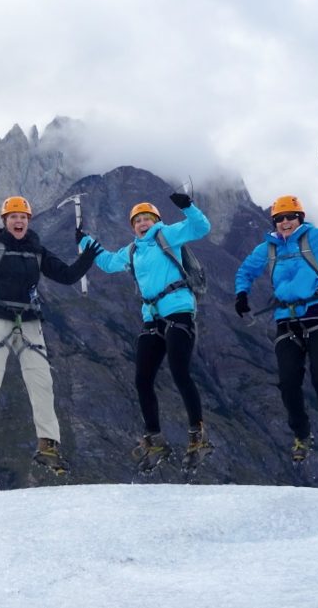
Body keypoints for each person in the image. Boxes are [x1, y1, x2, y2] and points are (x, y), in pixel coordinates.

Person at [0, 176, 101, 489]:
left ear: (29, 221)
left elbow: (68, 276)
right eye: (14, 217)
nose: (19, 221)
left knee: (41, 382)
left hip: (28, 321)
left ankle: (48, 446)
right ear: (5, 221)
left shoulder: (36, 250)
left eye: (23, 217)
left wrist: (87, 257)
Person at [78, 192, 213, 474]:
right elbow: (108, 262)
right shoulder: (132, 251)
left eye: (147, 219)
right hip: (152, 317)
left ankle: (197, 434)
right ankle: (155, 438)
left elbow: (201, 228)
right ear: (133, 226)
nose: (142, 223)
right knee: (142, 379)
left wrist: (188, 207)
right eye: (138, 221)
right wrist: (85, 242)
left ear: (156, 221)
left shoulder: (168, 235)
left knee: (179, 371)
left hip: (178, 311)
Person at [234, 187, 318, 463]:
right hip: (286, 320)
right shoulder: (267, 248)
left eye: (290, 217)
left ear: (300, 217)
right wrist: (241, 293)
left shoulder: (315, 237)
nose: (285, 222)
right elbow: (246, 270)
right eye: (279, 219)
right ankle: (301, 435)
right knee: (289, 382)